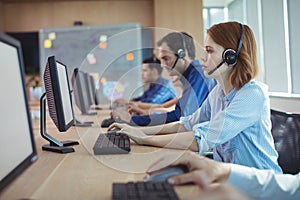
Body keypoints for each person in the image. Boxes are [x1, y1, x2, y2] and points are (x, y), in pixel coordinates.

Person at [109, 22, 282, 172]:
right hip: (230, 180)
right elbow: (186, 124)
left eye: (209, 51)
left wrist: (144, 138)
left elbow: (201, 139)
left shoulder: (252, 94)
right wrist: (137, 131)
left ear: (231, 57)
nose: (203, 58)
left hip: (259, 186)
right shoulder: (218, 93)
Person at [112, 31, 216, 126]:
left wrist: (134, 120)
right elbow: (178, 116)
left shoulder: (198, 76)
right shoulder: (191, 77)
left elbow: (181, 119)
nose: (162, 65)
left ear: (182, 54)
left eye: (166, 58)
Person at [146, 152, 300, 200]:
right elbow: (291, 188)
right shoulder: (216, 94)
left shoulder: (252, 93)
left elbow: (206, 134)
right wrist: (223, 170)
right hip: (230, 174)